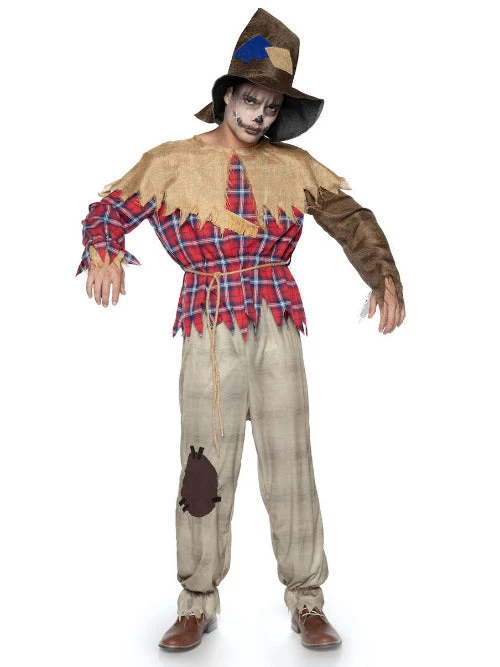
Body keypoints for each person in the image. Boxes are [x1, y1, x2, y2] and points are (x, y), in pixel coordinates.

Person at [76, 8, 405, 652]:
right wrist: (104, 249)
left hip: (276, 319)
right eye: (249, 99)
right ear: (227, 95)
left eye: (270, 105)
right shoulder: (171, 162)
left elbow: (351, 220)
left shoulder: (294, 166)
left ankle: (307, 599)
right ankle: (196, 602)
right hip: (208, 322)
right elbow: (107, 210)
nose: (258, 115)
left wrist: (384, 276)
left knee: (290, 458)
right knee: (204, 462)